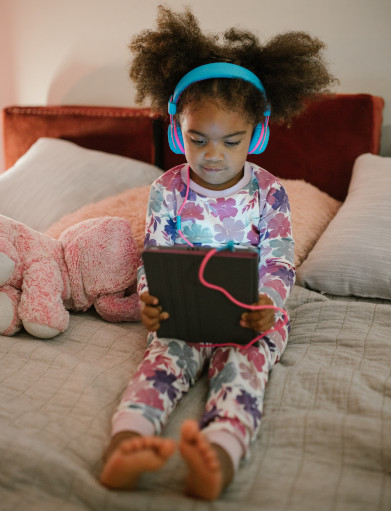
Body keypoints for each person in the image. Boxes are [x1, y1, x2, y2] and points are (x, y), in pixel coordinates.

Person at [100, 6, 336, 500]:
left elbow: (278, 258)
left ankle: (220, 454)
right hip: (184, 315)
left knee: (243, 371)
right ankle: (129, 441)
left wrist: (267, 304)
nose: (212, 155)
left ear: (258, 134)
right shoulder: (167, 189)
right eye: (196, 138)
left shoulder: (269, 192)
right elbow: (155, 252)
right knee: (160, 365)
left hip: (250, 316)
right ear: (174, 131)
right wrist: (150, 298)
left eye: (231, 141)